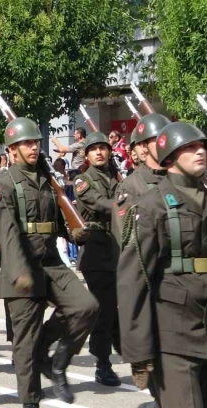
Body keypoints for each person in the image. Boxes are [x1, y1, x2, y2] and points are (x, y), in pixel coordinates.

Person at [0, 118, 98, 407]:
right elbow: (7, 232)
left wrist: (73, 232)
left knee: (86, 306)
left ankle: (55, 362)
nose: (33, 147)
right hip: (22, 266)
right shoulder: (4, 182)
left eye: (36, 142)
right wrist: (19, 270)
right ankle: (30, 401)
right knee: (24, 344)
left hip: (51, 262)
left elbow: (55, 219)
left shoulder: (47, 180)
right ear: (12, 150)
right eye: (26, 143)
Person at [119, 121, 207, 408]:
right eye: (190, 147)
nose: (200, 151)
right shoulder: (151, 206)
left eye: (202, 145)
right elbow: (133, 280)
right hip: (173, 332)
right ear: (169, 155)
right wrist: (138, 351)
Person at [113, 113, 171, 407]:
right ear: (142, 148)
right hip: (153, 286)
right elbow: (127, 247)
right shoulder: (131, 187)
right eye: (155, 139)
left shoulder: (182, 181)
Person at [72, 132, 122, 387]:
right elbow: (100, 204)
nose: (99, 152)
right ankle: (103, 363)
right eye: (94, 149)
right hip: (96, 251)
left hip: (118, 251)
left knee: (119, 306)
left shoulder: (115, 178)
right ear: (87, 154)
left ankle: (122, 345)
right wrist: (124, 204)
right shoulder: (82, 180)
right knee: (104, 308)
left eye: (103, 148)